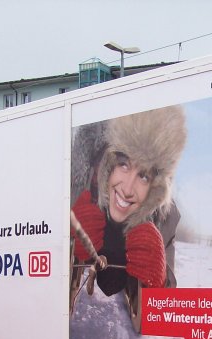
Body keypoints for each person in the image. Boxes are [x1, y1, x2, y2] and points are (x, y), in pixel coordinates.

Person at [71, 106, 187, 300]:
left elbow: (168, 306)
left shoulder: (165, 218)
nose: (127, 189)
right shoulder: (72, 185)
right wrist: (69, 240)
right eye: (123, 165)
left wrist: (159, 281)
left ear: (154, 187)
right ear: (108, 161)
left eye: (143, 176)